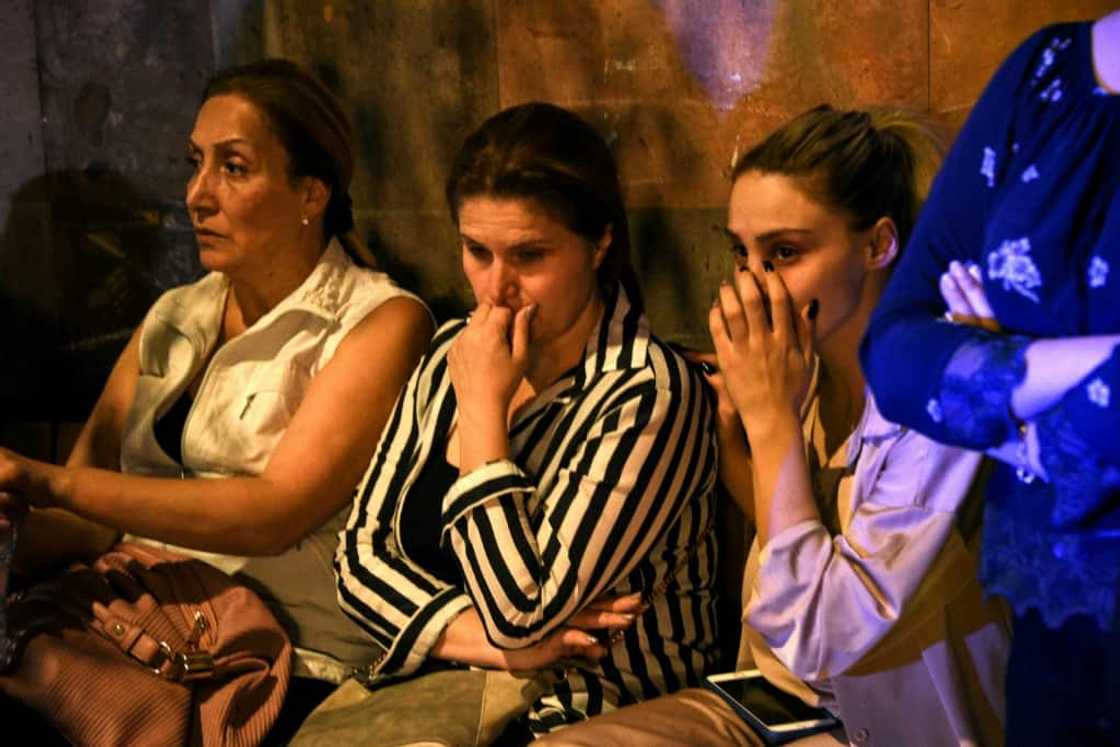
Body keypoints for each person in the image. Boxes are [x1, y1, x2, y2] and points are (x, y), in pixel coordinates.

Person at [538, 105, 1011, 746]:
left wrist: (770, 422)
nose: (754, 284)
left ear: (877, 244)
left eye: (785, 252)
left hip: (895, 723)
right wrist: (744, 431)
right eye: (741, 253)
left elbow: (827, 638)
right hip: (776, 700)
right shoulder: (805, 363)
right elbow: (796, 524)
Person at [0, 59, 432, 724]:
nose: (197, 194)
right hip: (141, 620)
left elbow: (273, 513)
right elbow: (86, 514)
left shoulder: (379, 322)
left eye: (233, 168)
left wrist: (49, 482)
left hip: (282, 655)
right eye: (194, 163)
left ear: (312, 193)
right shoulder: (175, 312)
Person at [331, 102, 719, 740]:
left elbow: (523, 609)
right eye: (476, 251)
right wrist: (494, 647)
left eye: (529, 256)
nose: (495, 288)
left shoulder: (644, 390)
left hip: (591, 713)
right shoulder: (450, 349)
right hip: (439, 695)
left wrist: (482, 412)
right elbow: (359, 556)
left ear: (600, 244)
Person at [861, 12, 1120, 745]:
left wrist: (1004, 401)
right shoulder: (1046, 72)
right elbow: (897, 348)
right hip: (1060, 637)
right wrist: (1041, 370)